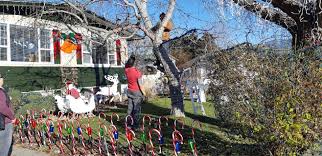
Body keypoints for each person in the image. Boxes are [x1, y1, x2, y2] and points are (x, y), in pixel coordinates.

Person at [125, 55, 144, 130]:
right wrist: (143, 93)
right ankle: (136, 126)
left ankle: (129, 125)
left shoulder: (126, 70)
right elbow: (140, 85)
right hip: (136, 92)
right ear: (134, 64)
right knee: (136, 110)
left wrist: (131, 59)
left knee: (130, 109)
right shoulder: (137, 73)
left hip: (130, 91)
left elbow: (127, 65)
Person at [0, 74, 15, 156]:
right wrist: (12, 117)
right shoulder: (0, 91)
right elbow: (2, 107)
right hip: (4, 123)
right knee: (4, 149)